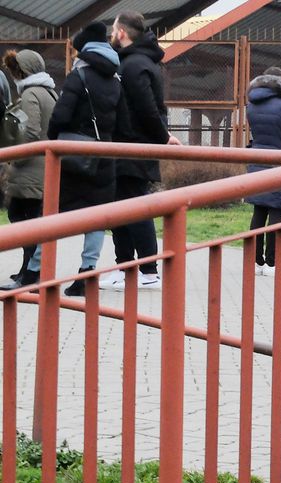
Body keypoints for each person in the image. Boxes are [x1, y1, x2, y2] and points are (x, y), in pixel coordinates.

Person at [3, 22, 126, 297]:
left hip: (72, 157)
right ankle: (86, 274)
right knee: (95, 216)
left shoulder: (78, 77)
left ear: (83, 50)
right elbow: (124, 121)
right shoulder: (117, 80)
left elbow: (60, 117)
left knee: (52, 213)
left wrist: (56, 140)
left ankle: (35, 272)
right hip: (104, 156)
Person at [104, 10, 179, 292]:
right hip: (128, 144)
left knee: (133, 205)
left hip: (133, 145)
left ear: (121, 32)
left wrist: (163, 136)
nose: (111, 34)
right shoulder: (133, 62)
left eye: (113, 29)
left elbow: (147, 107)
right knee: (123, 206)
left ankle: (147, 269)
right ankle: (126, 268)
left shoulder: (134, 65)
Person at [0, 50, 57, 284]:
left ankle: (30, 273)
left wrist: (17, 157)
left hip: (30, 168)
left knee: (21, 216)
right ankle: (28, 269)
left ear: (23, 71)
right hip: (42, 167)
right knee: (30, 218)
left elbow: (31, 131)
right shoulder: (50, 92)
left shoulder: (32, 93)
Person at [245, 66, 281, 274]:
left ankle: (254, 261)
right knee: (276, 213)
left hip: (257, 160)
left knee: (258, 212)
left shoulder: (251, 105)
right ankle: (273, 262)